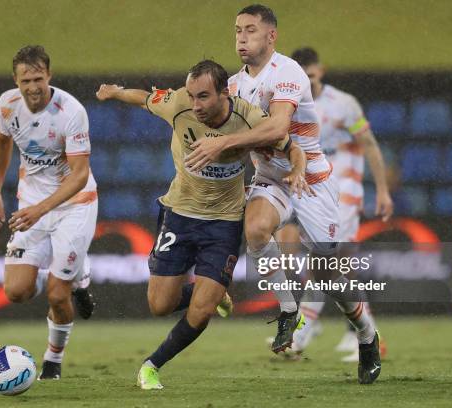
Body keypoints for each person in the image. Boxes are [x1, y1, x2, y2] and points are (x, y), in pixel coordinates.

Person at [185, 4, 381, 384]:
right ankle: (289, 309)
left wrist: (225, 142)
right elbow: (241, 142)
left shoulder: (287, 71)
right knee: (256, 229)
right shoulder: (235, 85)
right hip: (271, 178)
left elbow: (277, 129)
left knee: (328, 274)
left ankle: (366, 335)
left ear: (271, 36)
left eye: (251, 30)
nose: (242, 37)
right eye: (238, 30)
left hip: (311, 179)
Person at [96, 59, 305, 390]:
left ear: (224, 93)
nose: (196, 105)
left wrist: (297, 170)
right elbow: (144, 98)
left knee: (201, 310)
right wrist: (117, 92)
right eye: (192, 96)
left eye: (203, 97)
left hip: (224, 222)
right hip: (179, 214)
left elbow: (293, 148)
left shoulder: (248, 117)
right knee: (159, 305)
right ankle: (212, 291)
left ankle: (151, 365)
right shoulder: (178, 104)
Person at [277, 47, 393, 362]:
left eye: (312, 74)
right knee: (328, 264)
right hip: (310, 193)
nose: (308, 81)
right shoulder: (287, 107)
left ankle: (307, 328)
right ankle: (358, 332)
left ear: (321, 71)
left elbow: (369, 144)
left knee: (332, 259)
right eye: (302, 76)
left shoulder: (343, 104)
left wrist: (382, 190)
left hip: (345, 192)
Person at [0, 45, 97, 380]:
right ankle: (75, 271)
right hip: (31, 205)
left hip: (74, 206)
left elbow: (79, 174)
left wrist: (41, 209)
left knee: (56, 294)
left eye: (38, 78)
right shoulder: (8, 104)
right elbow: (2, 140)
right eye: (26, 80)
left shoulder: (71, 112)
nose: (33, 87)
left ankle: (53, 360)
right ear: (15, 80)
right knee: (16, 291)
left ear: (49, 76)